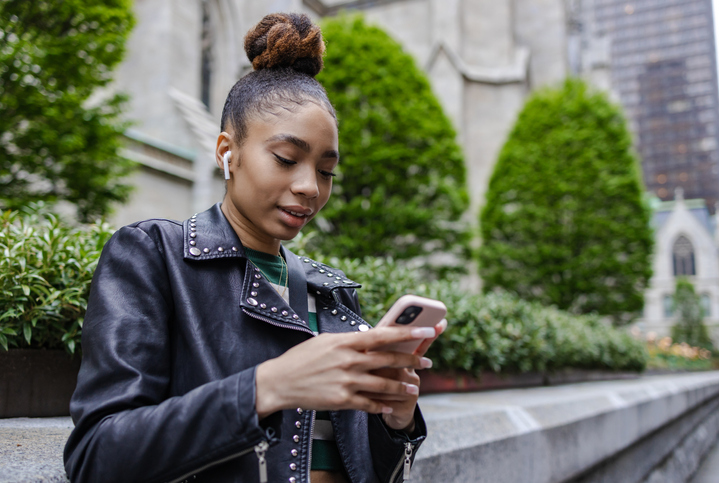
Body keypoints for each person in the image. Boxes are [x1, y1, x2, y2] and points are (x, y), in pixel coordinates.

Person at [64, 12, 445, 483]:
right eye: (286, 159)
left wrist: (396, 421)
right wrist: (267, 387)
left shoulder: (332, 293)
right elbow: (97, 456)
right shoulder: (152, 256)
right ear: (227, 151)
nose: (310, 187)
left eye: (327, 171)